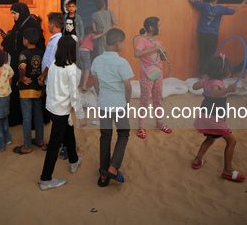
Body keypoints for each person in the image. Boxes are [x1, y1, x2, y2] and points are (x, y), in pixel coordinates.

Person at [39, 36, 86, 191]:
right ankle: (45, 179)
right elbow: (75, 96)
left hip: (52, 107)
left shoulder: (53, 64)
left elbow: (50, 86)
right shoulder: (73, 70)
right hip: (60, 111)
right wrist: (80, 115)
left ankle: (73, 161)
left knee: (69, 132)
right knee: (54, 144)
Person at [91, 28, 134, 187]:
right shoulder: (122, 62)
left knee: (105, 136)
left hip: (103, 103)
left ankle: (103, 174)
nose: (123, 45)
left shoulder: (96, 60)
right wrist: (127, 103)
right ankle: (113, 167)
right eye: (123, 43)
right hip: (119, 104)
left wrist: (100, 96)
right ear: (118, 44)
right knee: (123, 133)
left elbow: (95, 84)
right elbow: (128, 88)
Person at [192, 55, 245, 182]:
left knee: (210, 138)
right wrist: (228, 90)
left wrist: (204, 80)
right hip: (214, 118)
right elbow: (214, 94)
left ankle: (197, 160)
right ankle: (227, 170)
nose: (230, 71)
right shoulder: (218, 83)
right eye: (228, 69)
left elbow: (194, 87)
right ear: (222, 71)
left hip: (205, 114)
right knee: (231, 141)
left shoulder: (207, 80)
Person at [0, 3, 45, 126]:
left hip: (29, 65)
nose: (13, 16)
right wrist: (7, 38)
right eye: (12, 13)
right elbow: (14, 44)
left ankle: (31, 121)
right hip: (17, 63)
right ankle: (19, 118)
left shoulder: (31, 24)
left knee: (30, 93)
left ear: (21, 12)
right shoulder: (18, 25)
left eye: (14, 13)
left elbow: (40, 45)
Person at [189, 0, 247, 76]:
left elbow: (191, 0)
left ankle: (201, 72)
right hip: (213, 35)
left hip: (203, 33)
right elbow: (234, 11)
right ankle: (210, 74)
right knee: (211, 55)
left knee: (202, 54)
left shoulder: (204, 5)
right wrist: (243, 2)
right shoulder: (220, 9)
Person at [134, 17, 172, 139]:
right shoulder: (143, 40)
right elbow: (137, 54)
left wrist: (164, 52)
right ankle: (141, 127)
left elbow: (161, 59)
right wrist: (153, 48)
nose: (161, 28)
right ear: (151, 28)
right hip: (147, 76)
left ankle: (159, 122)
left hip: (158, 75)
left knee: (157, 99)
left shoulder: (159, 42)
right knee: (144, 101)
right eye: (159, 25)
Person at [13, 28, 45, 154]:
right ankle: (40, 140)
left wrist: (21, 78)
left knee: (27, 117)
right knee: (38, 115)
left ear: (26, 40)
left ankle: (27, 146)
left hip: (26, 89)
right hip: (37, 88)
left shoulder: (24, 53)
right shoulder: (41, 52)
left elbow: (22, 66)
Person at [78, 26, 106, 92]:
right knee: (87, 69)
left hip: (79, 52)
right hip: (85, 52)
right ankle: (84, 86)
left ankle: (83, 84)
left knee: (83, 69)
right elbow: (94, 37)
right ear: (91, 31)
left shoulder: (85, 37)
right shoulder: (92, 35)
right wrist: (102, 34)